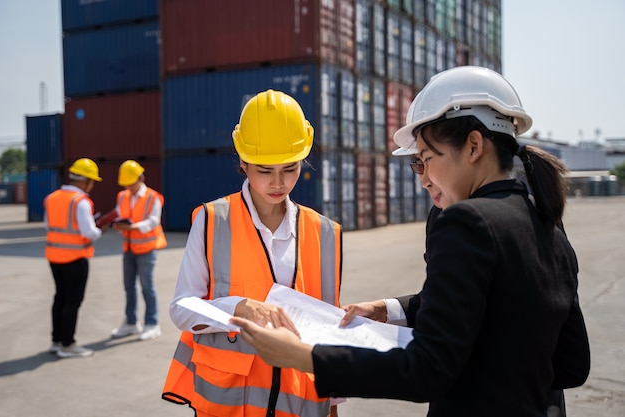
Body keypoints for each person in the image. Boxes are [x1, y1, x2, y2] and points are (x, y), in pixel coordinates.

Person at [230, 66, 591, 417]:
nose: (423, 178)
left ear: (473, 146)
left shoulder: (467, 223)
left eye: (425, 160)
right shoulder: (549, 225)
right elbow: (572, 364)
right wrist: (394, 311)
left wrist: (304, 357)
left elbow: (427, 370)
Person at [161, 89, 343, 417]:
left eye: (290, 168)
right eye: (264, 170)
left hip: (298, 402)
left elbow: (327, 329)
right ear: (243, 162)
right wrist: (240, 308)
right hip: (230, 403)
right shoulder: (213, 219)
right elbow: (182, 310)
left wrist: (332, 406)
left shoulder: (325, 232)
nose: (278, 182)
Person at [45, 157, 106, 358]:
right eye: (92, 182)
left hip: (54, 258)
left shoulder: (52, 198)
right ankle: (68, 344)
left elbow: (49, 226)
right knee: (73, 301)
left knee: (60, 298)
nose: (92, 187)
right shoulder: (81, 202)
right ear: (85, 181)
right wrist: (100, 229)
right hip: (76, 259)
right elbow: (89, 232)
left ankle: (56, 341)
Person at [110, 160, 167, 341]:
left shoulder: (153, 197)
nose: (129, 187)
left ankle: (152, 323)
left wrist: (133, 228)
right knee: (129, 287)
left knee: (147, 286)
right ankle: (131, 323)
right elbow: (120, 214)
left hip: (147, 248)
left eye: (132, 183)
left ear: (141, 178)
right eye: (126, 184)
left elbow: (153, 221)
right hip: (128, 246)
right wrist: (118, 224)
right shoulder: (122, 196)